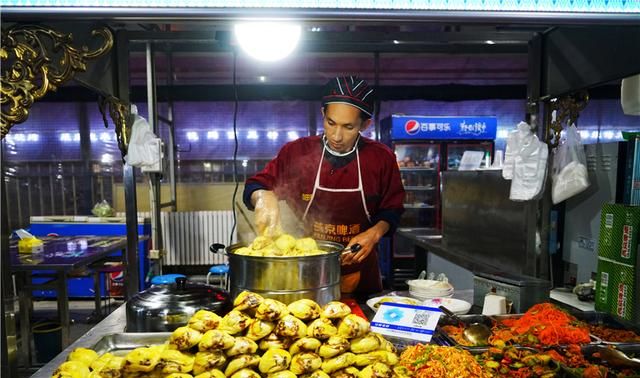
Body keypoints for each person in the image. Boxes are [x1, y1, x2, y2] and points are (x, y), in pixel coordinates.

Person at [243, 75, 405, 296]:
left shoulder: (380, 158)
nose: (337, 136)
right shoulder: (297, 152)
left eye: (348, 127)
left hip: (360, 265)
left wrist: (374, 234)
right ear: (323, 115)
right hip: (306, 268)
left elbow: (392, 209)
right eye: (331, 123)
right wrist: (263, 196)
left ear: (365, 125)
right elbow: (256, 185)